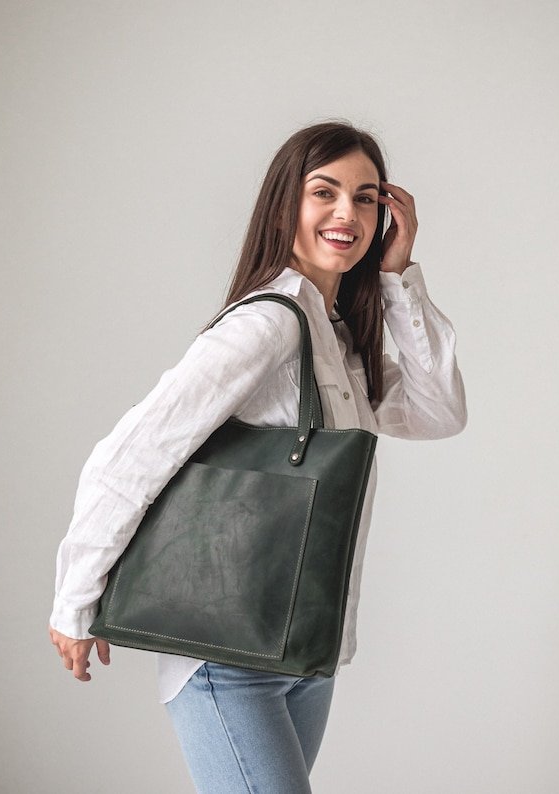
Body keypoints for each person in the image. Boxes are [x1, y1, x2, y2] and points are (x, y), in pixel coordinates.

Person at [49, 120, 467, 793]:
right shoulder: (268, 322)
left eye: (366, 198)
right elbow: (133, 452)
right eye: (324, 192)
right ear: (284, 205)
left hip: (303, 653)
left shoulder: (335, 338)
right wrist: (74, 599)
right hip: (226, 660)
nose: (346, 214)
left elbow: (439, 411)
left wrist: (397, 281)